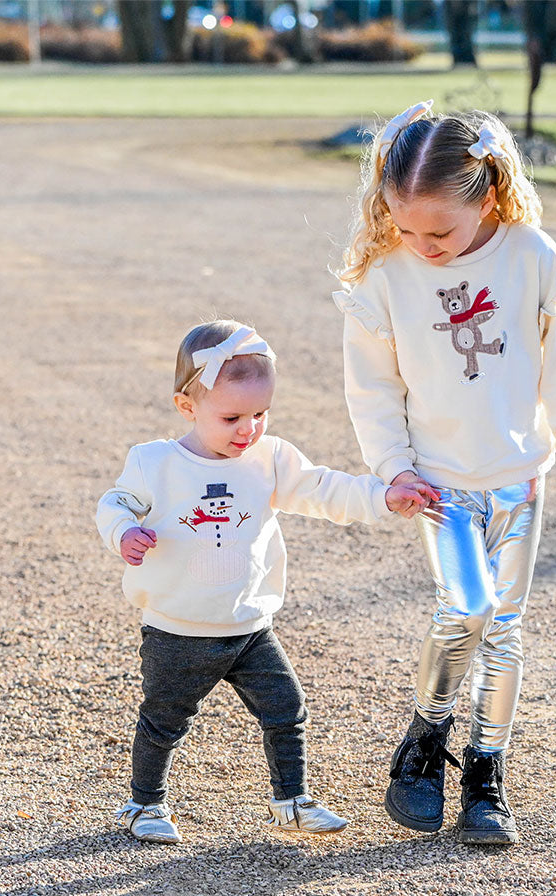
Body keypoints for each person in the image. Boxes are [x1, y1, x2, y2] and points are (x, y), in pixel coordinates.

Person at [333, 101, 556, 845]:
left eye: (439, 231)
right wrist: (392, 467)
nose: (421, 245)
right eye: (403, 225)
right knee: (467, 609)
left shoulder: (531, 255)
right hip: (439, 484)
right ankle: (425, 740)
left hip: (518, 477)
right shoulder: (385, 278)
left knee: (506, 631)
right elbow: (373, 390)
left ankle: (486, 776)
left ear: (485, 196)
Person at [96, 319, 432, 844]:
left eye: (260, 413)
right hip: (178, 628)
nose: (247, 429)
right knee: (165, 719)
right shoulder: (155, 462)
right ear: (187, 407)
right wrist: (123, 532)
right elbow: (114, 503)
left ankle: (291, 800)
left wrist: (381, 495)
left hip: (251, 624)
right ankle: (143, 805)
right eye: (231, 416)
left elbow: (323, 489)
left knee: (285, 710)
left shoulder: (269, 458)